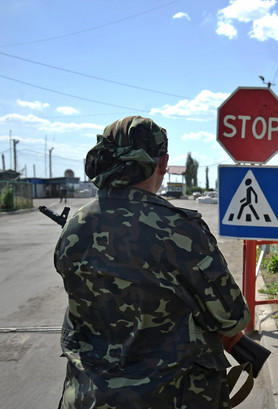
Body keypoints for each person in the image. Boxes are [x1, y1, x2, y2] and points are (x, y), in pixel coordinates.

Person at [54, 116, 250, 408]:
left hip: (89, 398)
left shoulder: (75, 228)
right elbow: (232, 317)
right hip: (172, 397)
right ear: (162, 163)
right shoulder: (181, 229)